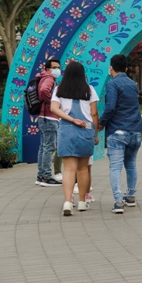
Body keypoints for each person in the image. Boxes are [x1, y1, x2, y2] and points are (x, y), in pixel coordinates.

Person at [49, 62, 99, 216]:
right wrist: (95, 134)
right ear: (82, 74)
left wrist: (71, 120)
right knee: (83, 168)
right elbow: (94, 113)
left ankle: (67, 202)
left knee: (69, 169)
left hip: (66, 130)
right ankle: (82, 201)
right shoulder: (89, 89)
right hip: (86, 129)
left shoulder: (59, 89)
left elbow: (53, 108)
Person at [98, 54, 142, 214]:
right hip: (135, 130)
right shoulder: (132, 84)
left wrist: (102, 122)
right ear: (126, 68)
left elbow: (110, 107)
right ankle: (130, 196)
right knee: (131, 165)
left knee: (115, 167)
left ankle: (118, 201)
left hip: (118, 131)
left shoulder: (112, 83)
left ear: (111, 67)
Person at [35, 58, 63, 187]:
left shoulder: (43, 77)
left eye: (58, 67)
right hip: (49, 117)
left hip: (44, 117)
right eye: (54, 67)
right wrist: (52, 103)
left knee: (43, 147)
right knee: (49, 147)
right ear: (47, 69)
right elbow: (43, 91)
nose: (57, 70)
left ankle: (41, 176)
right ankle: (46, 177)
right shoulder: (49, 78)